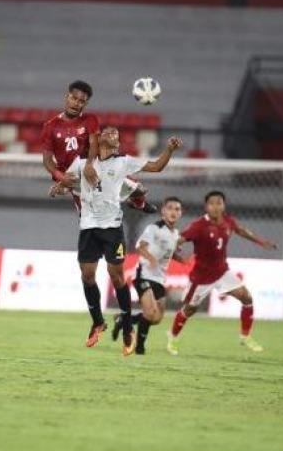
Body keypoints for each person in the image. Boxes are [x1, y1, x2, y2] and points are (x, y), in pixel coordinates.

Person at [51, 127, 182, 357]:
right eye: (109, 132)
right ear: (98, 138)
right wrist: (58, 188)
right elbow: (68, 182)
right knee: (87, 276)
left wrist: (169, 149)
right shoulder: (82, 163)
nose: (115, 136)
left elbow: (156, 167)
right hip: (88, 228)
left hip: (112, 228)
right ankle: (97, 322)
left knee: (117, 275)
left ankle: (128, 328)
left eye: (118, 135)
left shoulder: (123, 162)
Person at [166, 191, 277, 355]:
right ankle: (173, 337)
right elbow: (179, 238)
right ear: (206, 206)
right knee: (190, 309)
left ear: (223, 205)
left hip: (222, 272)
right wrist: (175, 246)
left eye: (219, 203)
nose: (216, 207)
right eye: (212, 203)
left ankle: (245, 336)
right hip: (201, 277)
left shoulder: (228, 221)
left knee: (246, 297)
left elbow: (241, 230)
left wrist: (261, 242)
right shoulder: (199, 226)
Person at [40, 80, 155, 213]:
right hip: (73, 177)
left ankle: (139, 205)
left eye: (81, 101)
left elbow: (94, 144)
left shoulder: (90, 120)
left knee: (139, 191)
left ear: (86, 103)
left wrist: (89, 165)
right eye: (74, 98)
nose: (76, 103)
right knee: (87, 219)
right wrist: (60, 177)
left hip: (97, 169)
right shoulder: (50, 126)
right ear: (67, 97)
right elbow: (47, 160)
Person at [111, 197, 188, 354]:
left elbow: (170, 253)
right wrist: (151, 259)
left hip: (159, 278)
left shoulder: (175, 234)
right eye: (170, 208)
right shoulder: (154, 228)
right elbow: (140, 247)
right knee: (151, 312)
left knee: (157, 318)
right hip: (144, 275)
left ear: (180, 213)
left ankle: (123, 320)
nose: (173, 212)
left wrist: (182, 260)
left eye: (177, 209)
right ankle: (139, 348)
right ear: (163, 211)